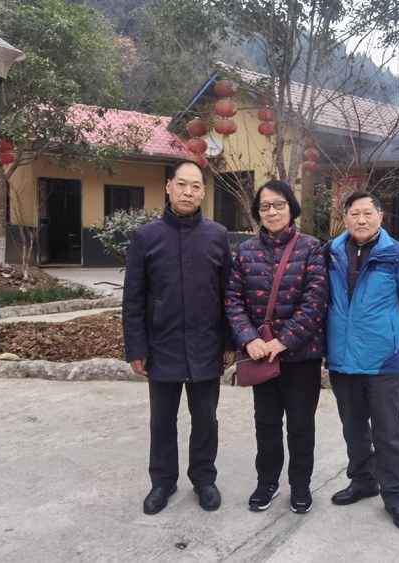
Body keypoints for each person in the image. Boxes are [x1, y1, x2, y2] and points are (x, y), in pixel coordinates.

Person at [122, 159, 235, 515]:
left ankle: (204, 479)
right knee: (162, 420)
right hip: (162, 346)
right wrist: (136, 347)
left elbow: (228, 294)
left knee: (206, 420)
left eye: (196, 186)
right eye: (182, 184)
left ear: (203, 193)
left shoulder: (217, 236)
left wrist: (230, 341)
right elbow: (133, 298)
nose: (188, 192)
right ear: (168, 187)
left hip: (206, 345)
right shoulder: (146, 237)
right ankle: (163, 481)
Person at [225, 180, 328, 514]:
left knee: (300, 425)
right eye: (265, 206)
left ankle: (300, 485)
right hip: (260, 356)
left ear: (291, 208)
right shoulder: (246, 251)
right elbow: (233, 299)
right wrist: (249, 338)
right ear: (258, 212)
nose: (272, 211)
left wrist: (283, 341)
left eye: (279, 204)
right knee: (266, 423)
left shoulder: (311, 248)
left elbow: (315, 302)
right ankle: (267, 482)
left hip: (301, 356)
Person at [325, 191, 399, 532]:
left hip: (381, 359)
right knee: (353, 428)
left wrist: (385, 330)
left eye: (368, 213)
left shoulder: (397, 254)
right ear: (345, 218)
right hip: (342, 358)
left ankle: (397, 498)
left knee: (388, 432)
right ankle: (363, 480)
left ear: (381, 216)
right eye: (354, 213)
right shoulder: (331, 252)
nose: (361, 219)